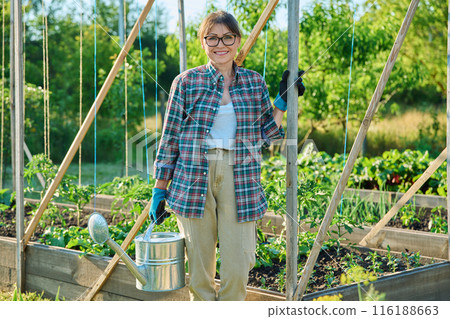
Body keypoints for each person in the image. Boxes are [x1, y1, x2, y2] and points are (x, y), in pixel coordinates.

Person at [150, 10, 305, 301]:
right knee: (199, 271)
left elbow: (266, 133)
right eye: (212, 38)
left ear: (237, 41)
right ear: (203, 42)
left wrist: (282, 102)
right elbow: (169, 139)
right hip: (194, 176)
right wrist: (159, 190)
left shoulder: (253, 82)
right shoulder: (185, 82)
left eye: (227, 37)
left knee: (238, 266)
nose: (220, 44)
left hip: (240, 174)